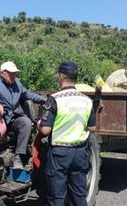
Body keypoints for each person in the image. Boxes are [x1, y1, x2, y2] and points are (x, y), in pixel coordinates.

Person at [38, 61, 96, 206]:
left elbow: (45, 131)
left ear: (61, 76)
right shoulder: (87, 100)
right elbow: (93, 128)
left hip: (59, 154)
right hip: (80, 153)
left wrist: (39, 124)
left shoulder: (54, 100)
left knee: (57, 197)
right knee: (78, 195)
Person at [0, 61, 47, 169]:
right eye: (11, 73)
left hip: (12, 119)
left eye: (15, 73)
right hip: (0, 120)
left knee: (25, 122)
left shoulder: (16, 83)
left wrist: (45, 100)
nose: (14, 76)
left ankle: (18, 157)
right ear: (2, 73)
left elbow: (28, 95)